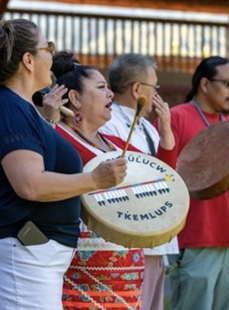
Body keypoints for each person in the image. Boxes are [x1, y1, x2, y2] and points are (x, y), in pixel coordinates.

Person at [0, 16, 127, 310]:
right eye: (48, 47)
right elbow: (30, 184)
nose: (53, 55)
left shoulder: (21, 106)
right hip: (23, 253)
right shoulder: (7, 107)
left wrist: (50, 124)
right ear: (29, 60)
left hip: (35, 255)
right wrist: (96, 179)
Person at [48, 51, 176, 309]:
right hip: (82, 272)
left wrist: (166, 133)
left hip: (127, 272)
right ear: (75, 98)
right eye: (101, 88)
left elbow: (162, 181)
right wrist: (49, 120)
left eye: (109, 87)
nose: (110, 94)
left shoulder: (116, 143)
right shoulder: (58, 136)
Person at [155, 56, 229, 310]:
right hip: (192, 236)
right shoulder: (174, 118)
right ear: (205, 84)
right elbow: (159, 173)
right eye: (228, 83)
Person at [99, 52, 179, 310]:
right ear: (137, 89)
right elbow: (139, 174)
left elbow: (167, 177)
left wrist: (166, 130)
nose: (157, 93)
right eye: (154, 87)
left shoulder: (149, 127)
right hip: (128, 232)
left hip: (154, 237)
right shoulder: (109, 123)